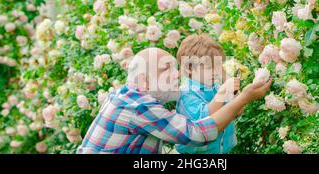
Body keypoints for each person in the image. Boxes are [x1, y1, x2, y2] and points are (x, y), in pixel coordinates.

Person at [76, 47, 271, 154]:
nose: (176, 73)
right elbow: (197, 134)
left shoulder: (126, 95)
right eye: (165, 68)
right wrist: (245, 97)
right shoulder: (139, 106)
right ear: (144, 81)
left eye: (174, 67)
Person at [175, 34, 240, 154]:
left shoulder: (215, 87)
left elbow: (237, 110)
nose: (216, 72)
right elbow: (206, 119)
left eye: (218, 67)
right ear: (189, 68)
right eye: (210, 67)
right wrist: (224, 91)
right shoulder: (186, 93)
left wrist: (233, 89)